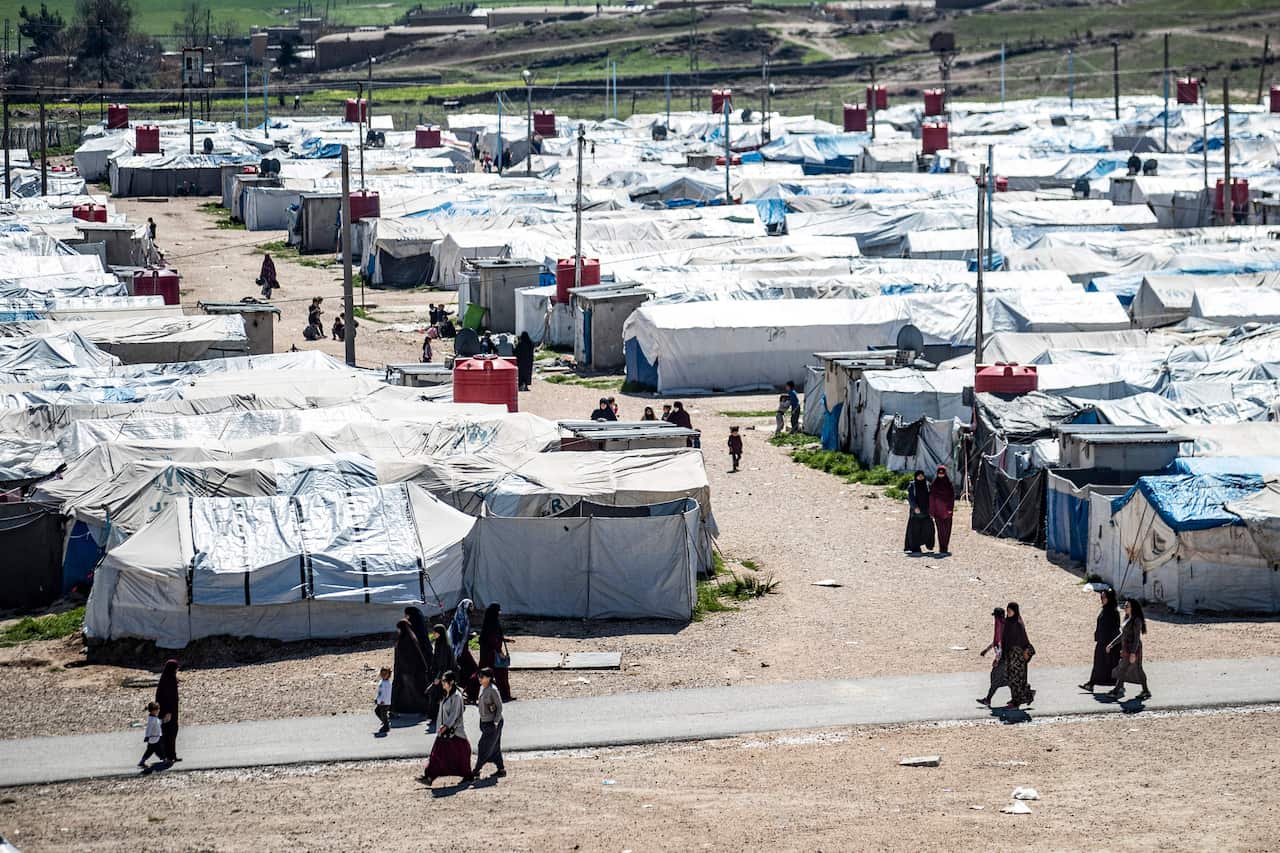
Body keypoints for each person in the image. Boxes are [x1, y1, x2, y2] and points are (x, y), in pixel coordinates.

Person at [420, 672, 472, 786]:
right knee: (436, 754)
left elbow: (455, 714)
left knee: (460, 755)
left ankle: (467, 775)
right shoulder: (446, 695)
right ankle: (429, 776)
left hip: (455, 732)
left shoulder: (457, 696)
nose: (443, 683)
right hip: (444, 731)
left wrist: (446, 726)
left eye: (444, 681)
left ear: (451, 682)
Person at [1079, 588, 1121, 693]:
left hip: (1109, 644)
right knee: (1098, 664)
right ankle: (1091, 683)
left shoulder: (1113, 612)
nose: (1102, 599)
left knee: (1109, 665)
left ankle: (1118, 684)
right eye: (1101, 597)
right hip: (1102, 642)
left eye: (1104, 597)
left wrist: (1111, 644)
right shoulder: (1105, 609)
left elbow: (1115, 629)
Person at [1107, 599, 1150, 701]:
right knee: (1125, 668)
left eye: (1127, 606)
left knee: (1130, 668)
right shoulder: (1127, 617)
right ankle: (1145, 691)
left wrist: (1133, 653)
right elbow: (1123, 634)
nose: (1125, 608)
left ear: (1132, 608)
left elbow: (1136, 638)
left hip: (1134, 648)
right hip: (1126, 647)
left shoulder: (1137, 620)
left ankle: (1117, 690)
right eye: (1125, 606)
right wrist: (1112, 644)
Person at [391, 619, 430, 715]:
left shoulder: (407, 640)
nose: (398, 631)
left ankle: (422, 708)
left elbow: (409, 656)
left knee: (413, 691)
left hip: (408, 671)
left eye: (399, 629)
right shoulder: (407, 638)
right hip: (405, 671)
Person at [473, 668, 506, 779]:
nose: (480, 679)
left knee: (483, 746)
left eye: (482, 677)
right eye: (479, 677)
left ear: (489, 678)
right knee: (495, 747)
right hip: (484, 722)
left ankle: (476, 770)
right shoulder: (482, 688)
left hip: (492, 723)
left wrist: (495, 722)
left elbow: (499, 707)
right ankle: (501, 769)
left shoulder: (493, 690)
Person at [1001, 602, 1036, 709]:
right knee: (1010, 678)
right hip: (1009, 654)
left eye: (1010, 611)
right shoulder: (1007, 623)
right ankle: (1025, 695)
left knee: (1017, 679)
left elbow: (1024, 640)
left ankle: (1016, 702)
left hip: (1018, 656)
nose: (1008, 613)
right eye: (1007, 611)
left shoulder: (1018, 624)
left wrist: (1025, 653)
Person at [477, 603, 513, 701]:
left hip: (486, 655)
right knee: (501, 675)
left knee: (485, 675)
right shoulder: (493, 624)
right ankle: (504, 695)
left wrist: (505, 640)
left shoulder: (488, 622)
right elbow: (493, 639)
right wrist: (500, 652)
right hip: (493, 655)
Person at [977, 606, 1008, 707]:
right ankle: (1025, 690)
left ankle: (988, 699)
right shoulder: (1003, 625)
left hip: (1003, 657)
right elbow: (996, 642)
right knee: (997, 677)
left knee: (995, 678)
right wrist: (986, 650)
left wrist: (997, 659)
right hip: (1004, 657)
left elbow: (1001, 644)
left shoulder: (1002, 627)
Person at [425, 623, 454, 730]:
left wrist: (438, 677)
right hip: (439, 674)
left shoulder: (443, 647)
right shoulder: (439, 643)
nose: (434, 634)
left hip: (442, 676)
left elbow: (443, 664)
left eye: (435, 632)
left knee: (439, 696)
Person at [903, 470, 935, 554]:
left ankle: (928, 544)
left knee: (928, 529)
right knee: (915, 531)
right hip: (915, 513)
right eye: (919, 476)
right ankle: (915, 547)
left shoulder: (927, 485)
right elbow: (911, 498)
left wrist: (932, 509)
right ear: (916, 477)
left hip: (926, 511)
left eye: (922, 476)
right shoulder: (912, 486)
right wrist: (915, 507)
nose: (920, 477)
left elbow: (931, 497)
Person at [155, 659, 181, 763]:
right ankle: (168, 757)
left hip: (172, 711)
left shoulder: (169, 678)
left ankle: (172, 755)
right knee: (168, 733)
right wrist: (168, 712)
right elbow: (167, 697)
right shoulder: (168, 679)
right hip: (167, 711)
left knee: (172, 732)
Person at [930, 465, 956, 555]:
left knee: (947, 530)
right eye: (939, 473)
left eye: (942, 473)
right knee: (940, 531)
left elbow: (952, 498)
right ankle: (942, 547)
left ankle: (945, 547)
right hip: (938, 511)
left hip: (947, 511)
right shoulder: (934, 484)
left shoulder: (949, 484)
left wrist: (950, 509)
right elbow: (932, 498)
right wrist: (932, 511)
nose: (941, 475)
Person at [138, 702, 165, 769]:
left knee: (150, 751)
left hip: (155, 737)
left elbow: (158, 722)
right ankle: (164, 759)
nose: (159, 710)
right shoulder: (152, 719)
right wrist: (147, 736)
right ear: (154, 711)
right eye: (158, 709)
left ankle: (142, 761)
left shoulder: (154, 717)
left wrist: (164, 721)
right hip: (154, 737)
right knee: (159, 749)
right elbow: (149, 728)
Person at [374, 667, 393, 734]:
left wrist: (383, 701)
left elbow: (386, 694)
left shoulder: (388, 684)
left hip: (385, 702)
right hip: (381, 701)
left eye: (385, 674)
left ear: (389, 675)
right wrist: (377, 699)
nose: (383, 675)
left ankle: (386, 726)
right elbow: (380, 692)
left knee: (383, 714)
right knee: (377, 711)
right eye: (382, 673)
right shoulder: (382, 682)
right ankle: (386, 722)